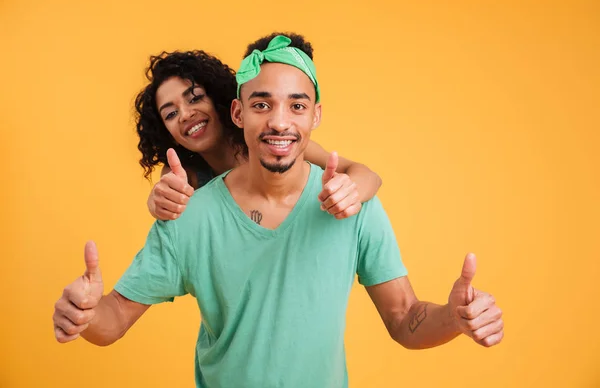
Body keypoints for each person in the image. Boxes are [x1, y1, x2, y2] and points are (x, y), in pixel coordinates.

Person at [52, 33, 504, 388]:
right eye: (262, 104)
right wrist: (87, 313)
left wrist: (454, 318)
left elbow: (405, 319)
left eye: (297, 105)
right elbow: (112, 320)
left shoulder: (352, 203)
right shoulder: (187, 209)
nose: (280, 121)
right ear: (239, 112)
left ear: (315, 116)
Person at [134, 38, 381, 222]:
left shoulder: (272, 143)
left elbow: (369, 176)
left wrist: (350, 192)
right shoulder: (185, 174)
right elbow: (166, 201)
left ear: (226, 105)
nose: (186, 115)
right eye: (171, 114)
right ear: (164, 130)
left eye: (195, 98)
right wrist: (158, 203)